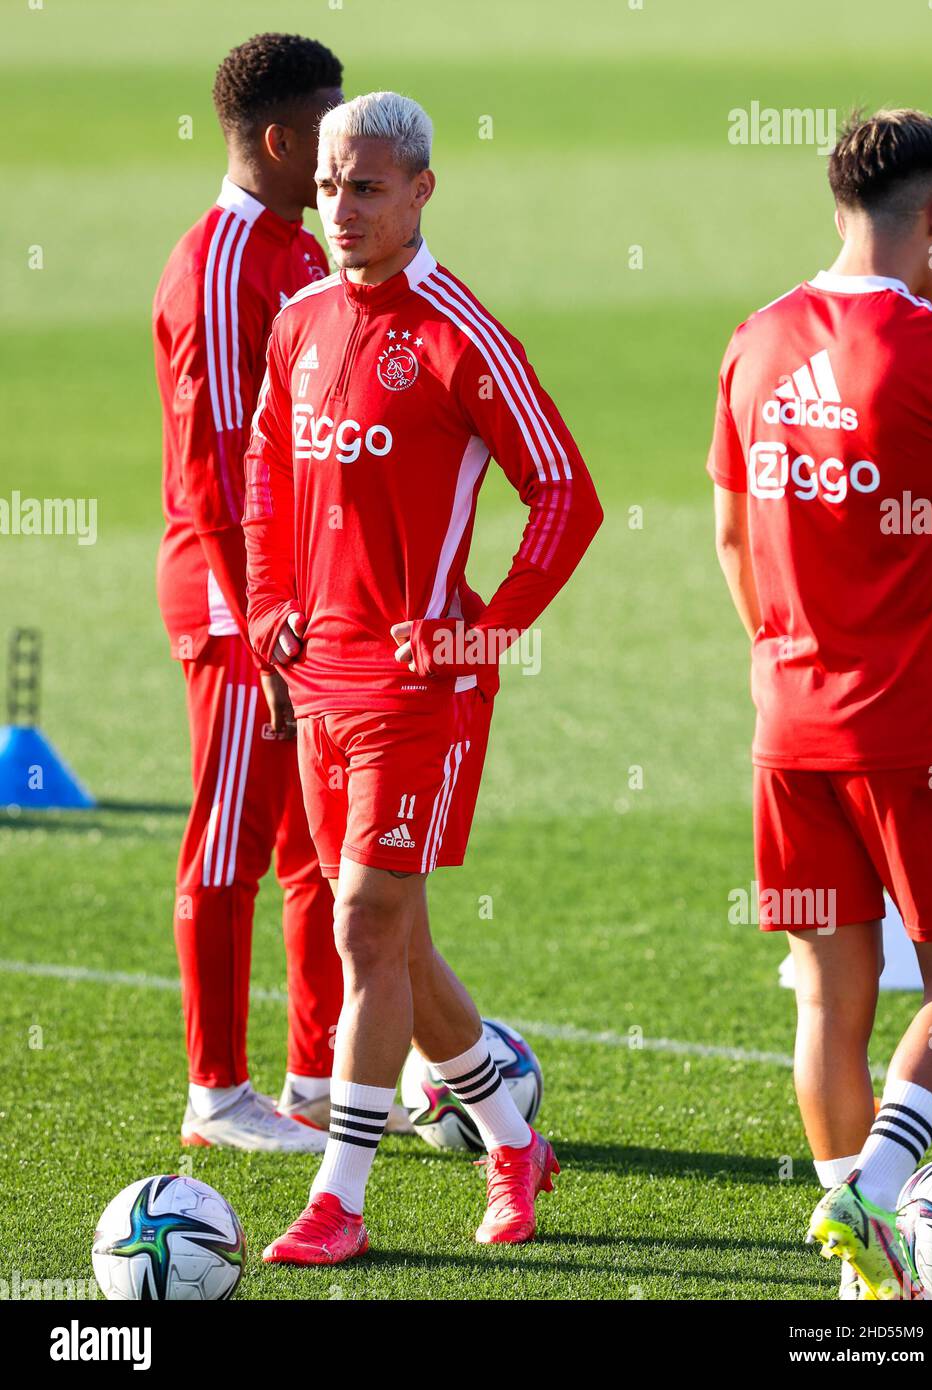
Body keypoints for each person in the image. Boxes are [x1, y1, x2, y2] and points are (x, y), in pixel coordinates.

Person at [244, 91, 602, 1264]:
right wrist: (266, 603)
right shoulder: (298, 321)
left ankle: (339, 1198)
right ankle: (509, 1140)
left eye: (367, 187)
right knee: (390, 939)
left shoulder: (458, 331)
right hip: (320, 680)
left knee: (363, 919)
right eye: (330, 185)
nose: (339, 208)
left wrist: (486, 629)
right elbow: (264, 474)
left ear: (421, 193)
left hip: (420, 686)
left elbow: (564, 490)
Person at [708, 108, 932, 1298]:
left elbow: (727, 533)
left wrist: (786, 653)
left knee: (829, 994)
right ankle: (868, 1193)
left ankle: (859, 1278)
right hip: (915, 728)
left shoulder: (753, 341)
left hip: (787, 722)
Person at [154, 33, 382, 1149]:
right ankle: (215, 1094)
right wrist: (263, 633)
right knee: (228, 839)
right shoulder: (217, 266)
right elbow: (213, 475)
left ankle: (310, 1075)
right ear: (283, 139)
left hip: (302, 607)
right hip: (236, 608)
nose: (345, 156)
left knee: (312, 848)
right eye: (330, 132)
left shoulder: (296, 249)